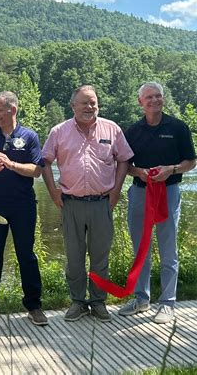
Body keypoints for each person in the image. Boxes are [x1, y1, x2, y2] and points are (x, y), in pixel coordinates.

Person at [42, 85, 133, 323]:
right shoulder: (59, 131)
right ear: (73, 106)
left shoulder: (112, 129)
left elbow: (124, 159)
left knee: (100, 256)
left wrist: (115, 191)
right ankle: (77, 302)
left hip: (102, 203)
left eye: (93, 102)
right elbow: (45, 162)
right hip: (70, 203)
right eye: (84, 103)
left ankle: (98, 301)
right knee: (74, 257)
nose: (89, 107)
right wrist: (53, 192)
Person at [118, 82, 197, 324]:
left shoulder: (178, 127)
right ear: (140, 102)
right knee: (140, 248)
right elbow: (124, 165)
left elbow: (191, 162)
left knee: (168, 248)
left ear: (163, 99)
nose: (154, 100)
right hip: (140, 192)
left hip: (169, 191)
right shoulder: (132, 131)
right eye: (148, 97)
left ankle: (167, 303)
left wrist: (171, 169)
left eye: (158, 96)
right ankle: (142, 299)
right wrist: (139, 172)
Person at [0, 91, 47, 326]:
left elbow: (36, 170)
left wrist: (10, 164)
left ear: (12, 110)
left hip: (23, 205)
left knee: (27, 255)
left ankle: (34, 306)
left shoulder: (29, 136)